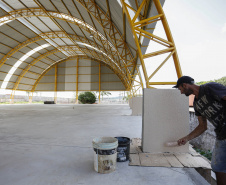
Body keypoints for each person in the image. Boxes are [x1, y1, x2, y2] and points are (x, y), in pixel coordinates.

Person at [173, 76, 226, 185]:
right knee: (218, 167)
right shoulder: (197, 105)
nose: (181, 92)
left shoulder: (209, 87)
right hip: (221, 135)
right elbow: (202, 126)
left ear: (185, 85)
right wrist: (187, 138)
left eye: (180, 89)